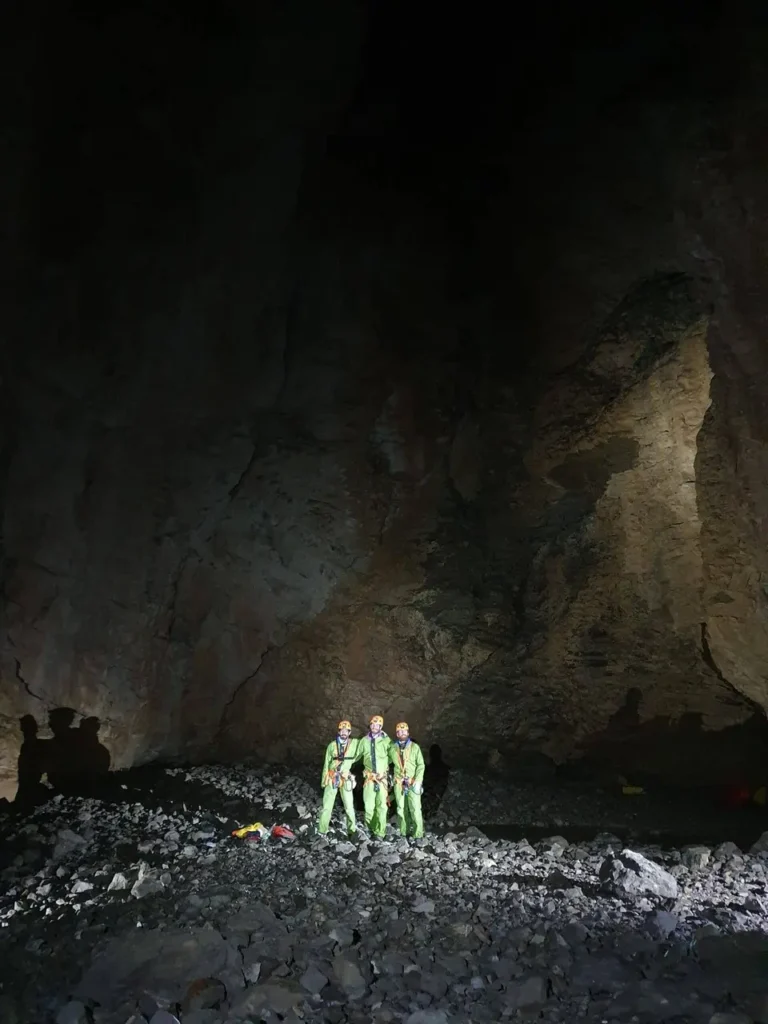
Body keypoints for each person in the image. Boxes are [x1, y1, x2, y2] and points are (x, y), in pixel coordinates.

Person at [317, 720, 359, 836]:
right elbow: (326, 763)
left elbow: (364, 748)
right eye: (342, 730)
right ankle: (322, 830)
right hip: (332, 777)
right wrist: (324, 781)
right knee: (327, 806)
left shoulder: (354, 744)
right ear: (339, 731)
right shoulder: (332, 745)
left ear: (350, 732)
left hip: (345, 778)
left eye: (347, 730)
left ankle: (352, 831)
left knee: (349, 806)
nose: (344, 732)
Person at [389, 721, 425, 838]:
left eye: (404, 731)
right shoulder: (393, 748)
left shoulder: (415, 747)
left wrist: (418, 781)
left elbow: (421, 765)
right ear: (397, 733)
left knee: (415, 808)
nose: (402, 733)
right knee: (400, 808)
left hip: (412, 782)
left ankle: (418, 834)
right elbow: (385, 762)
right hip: (399, 782)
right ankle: (403, 833)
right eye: (399, 731)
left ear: (408, 732)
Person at [359, 714, 390, 838]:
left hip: (382, 779)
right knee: (368, 804)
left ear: (381, 726)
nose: (375, 727)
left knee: (382, 805)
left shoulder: (387, 741)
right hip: (369, 778)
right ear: (370, 725)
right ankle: (370, 828)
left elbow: (394, 756)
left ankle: (380, 832)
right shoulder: (364, 741)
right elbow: (355, 755)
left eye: (378, 725)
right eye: (373, 724)